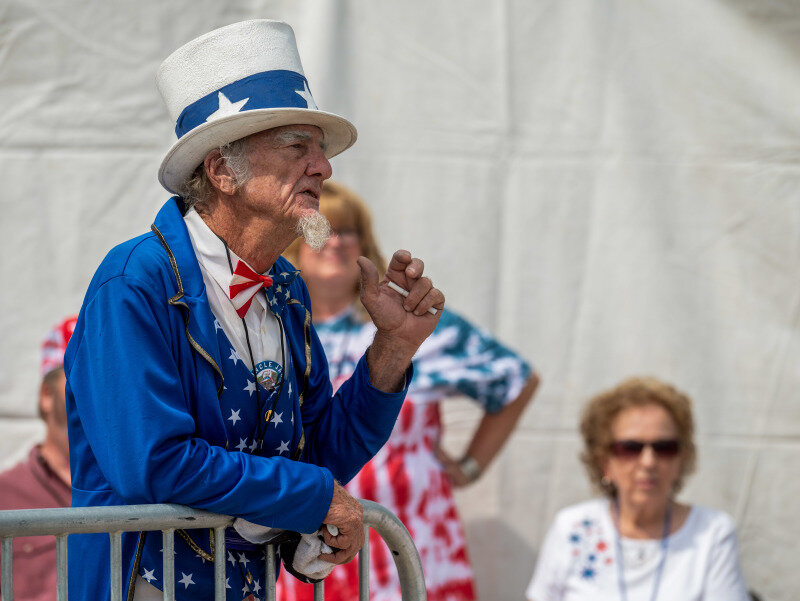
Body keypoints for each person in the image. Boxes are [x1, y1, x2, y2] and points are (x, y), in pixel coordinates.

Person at [64, 20, 445, 601]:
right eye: (299, 147)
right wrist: (311, 497)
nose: (324, 168)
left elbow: (318, 454)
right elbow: (154, 463)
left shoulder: (285, 288)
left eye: (321, 150)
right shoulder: (134, 281)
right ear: (221, 171)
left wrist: (393, 349)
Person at [279, 181, 539, 601]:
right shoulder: (275, 330)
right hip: (309, 546)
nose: (337, 242)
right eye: (323, 229)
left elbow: (515, 380)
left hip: (410, 542)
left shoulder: (410, 326)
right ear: (293, 243)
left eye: (350, 231)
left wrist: (471, 466)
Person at [525, 377, 750, 601]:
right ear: (604, 461)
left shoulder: (712, 532)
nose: (648, 462)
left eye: (664, 448)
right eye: (630, 448)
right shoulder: (573, 528)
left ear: (681, 459)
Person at [0, 315, 76, 601]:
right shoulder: (5, 496)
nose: (96, 393)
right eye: (80, 376)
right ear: (47, 394)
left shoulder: (136, 490)